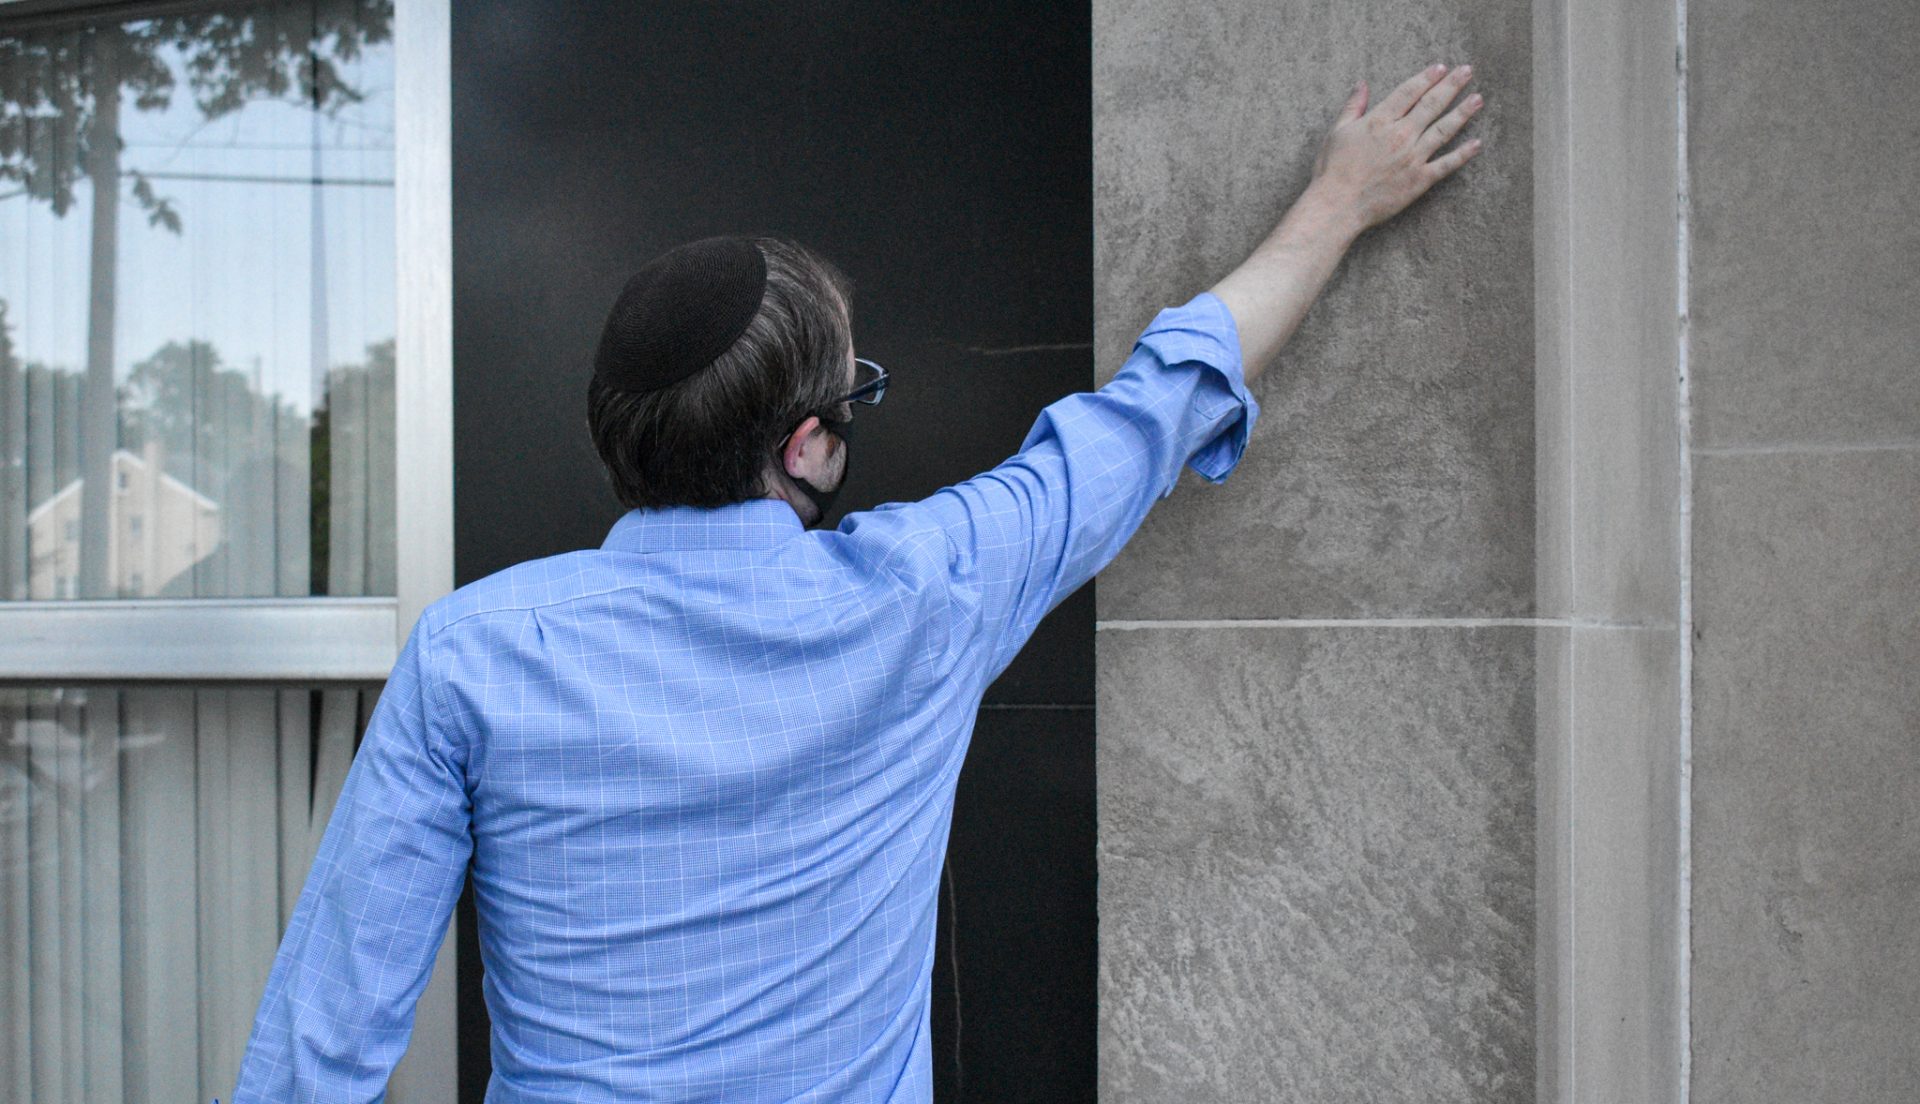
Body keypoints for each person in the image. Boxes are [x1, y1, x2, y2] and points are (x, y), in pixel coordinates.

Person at [233, 61, 1484, 1103]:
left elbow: (321, 1042)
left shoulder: (472, 653)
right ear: (806, 443)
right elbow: (1152, 412)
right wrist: (1337, 201)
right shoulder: (925, 594)